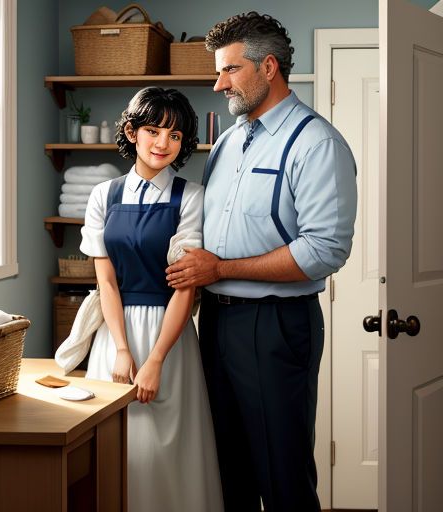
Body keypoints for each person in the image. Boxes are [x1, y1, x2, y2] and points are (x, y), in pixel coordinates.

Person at [166, 12, 357, 512]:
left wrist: (222, 269)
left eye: (229, 70)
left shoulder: (317, 143)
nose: (217, 83)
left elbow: (324, 250)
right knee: (227, 472)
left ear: (268, 67)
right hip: (217, 324)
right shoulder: (227, 142)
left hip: (276, 327)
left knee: (283, 477)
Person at [78, 87, 223, 512]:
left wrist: (156, 358)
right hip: (115, 334)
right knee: (120, 447)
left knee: (171, 449)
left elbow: (186, 286)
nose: (163, 143)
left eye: (175, 135)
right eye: (153, 130)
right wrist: (121, 351)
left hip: (171, 339)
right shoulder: (103, 196)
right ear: (132, 132)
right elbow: (106, 283)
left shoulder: (191, 197)